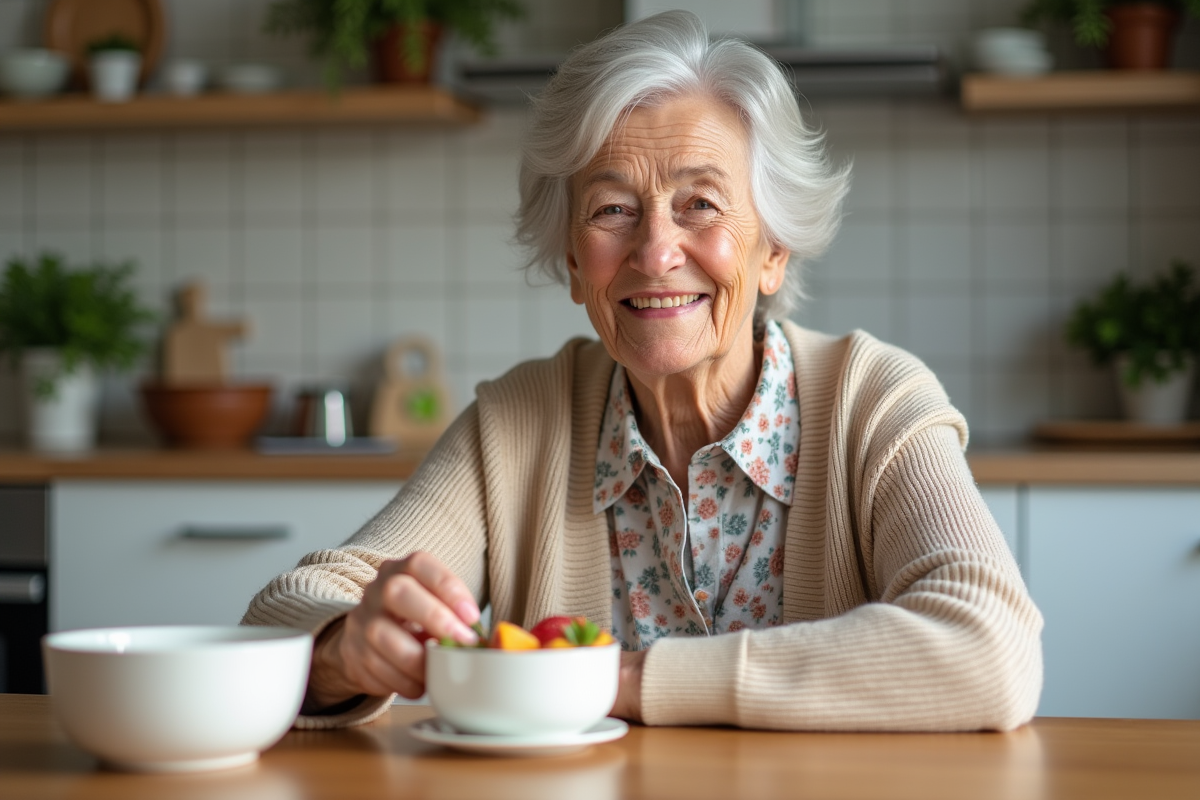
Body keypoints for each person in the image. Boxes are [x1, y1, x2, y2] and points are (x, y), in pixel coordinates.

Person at [244, 10, 1043, 732]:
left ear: (773, 250)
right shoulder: (521, 422)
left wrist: (616, 679)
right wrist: (344, 649)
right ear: (571, 262)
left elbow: (990, 647)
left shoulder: (874, 402)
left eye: (700, 204)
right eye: (612, 210)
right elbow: (282, 614)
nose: (656, 254)